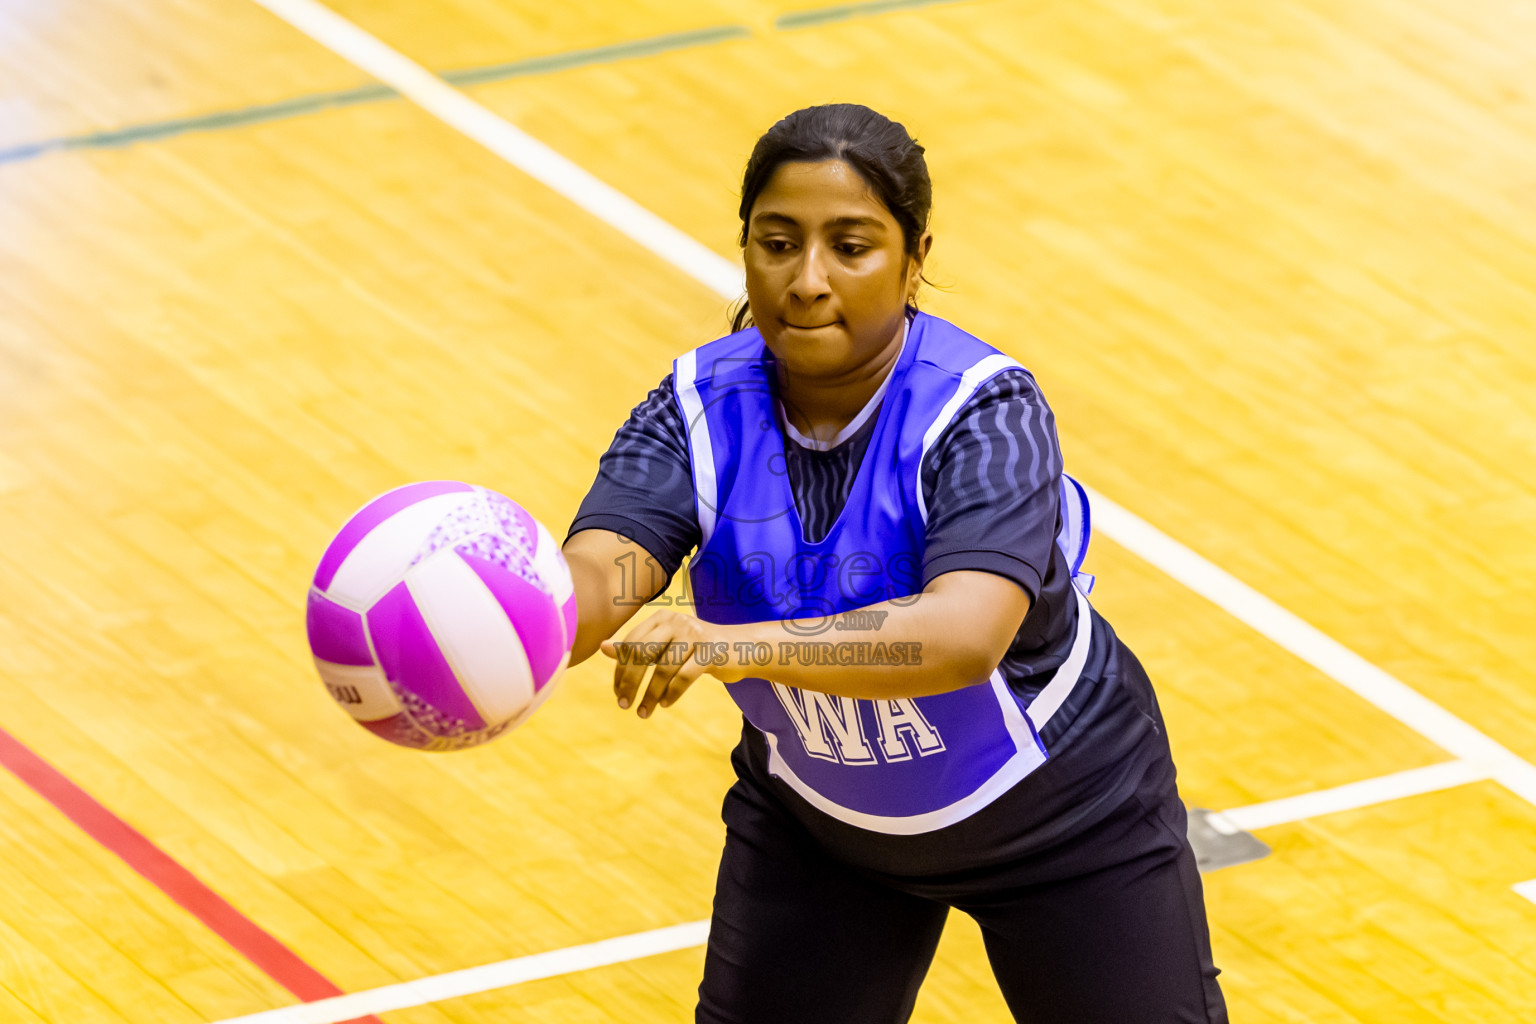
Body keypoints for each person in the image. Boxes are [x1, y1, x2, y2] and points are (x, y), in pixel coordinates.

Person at [560, 103, 1227, 1024]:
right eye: (778, 244)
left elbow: (960, 638)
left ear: (915, 259)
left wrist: (731, 644)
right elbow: (602, 581)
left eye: (851, 247)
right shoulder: (694, 412)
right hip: (824, 833)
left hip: (1065, 822)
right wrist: (490, 611)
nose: (807, 282)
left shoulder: (983, 413)